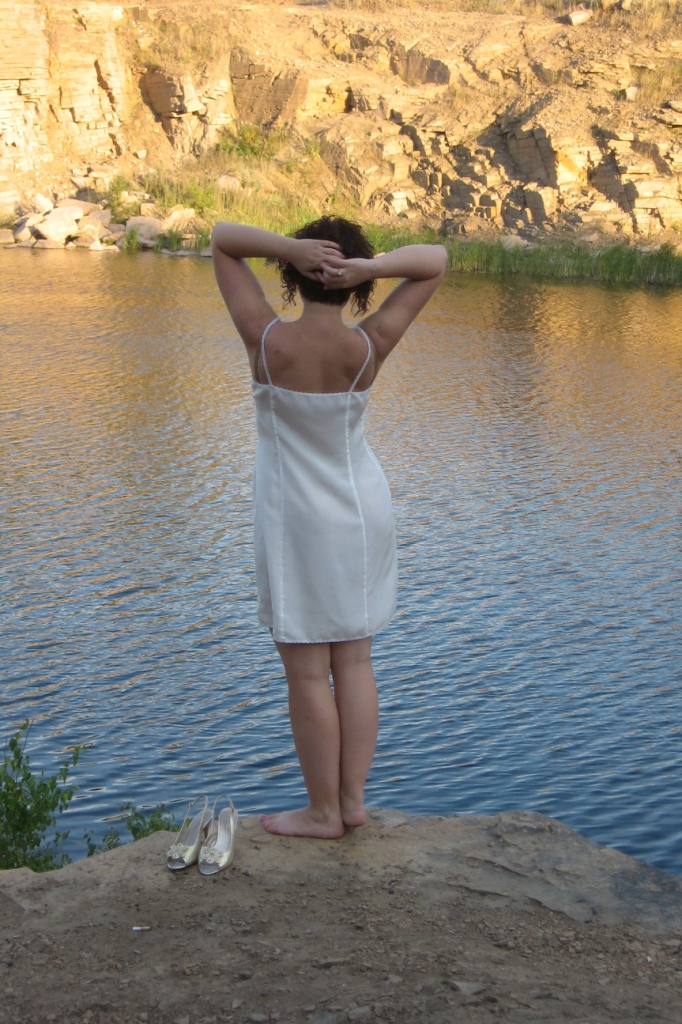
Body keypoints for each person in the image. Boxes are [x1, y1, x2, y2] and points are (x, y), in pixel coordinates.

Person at [211, 216, 447, 838]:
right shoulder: (367, 346)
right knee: (356, 662)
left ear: (294, 274)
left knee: (309, 672)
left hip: (294, 520)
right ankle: (351, 803)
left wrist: (290, 248)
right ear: (354, 285)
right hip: (361, 513)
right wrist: (372, 268)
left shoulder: (267, 340)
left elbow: (223, 240)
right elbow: (436, 260)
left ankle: (322, 812)